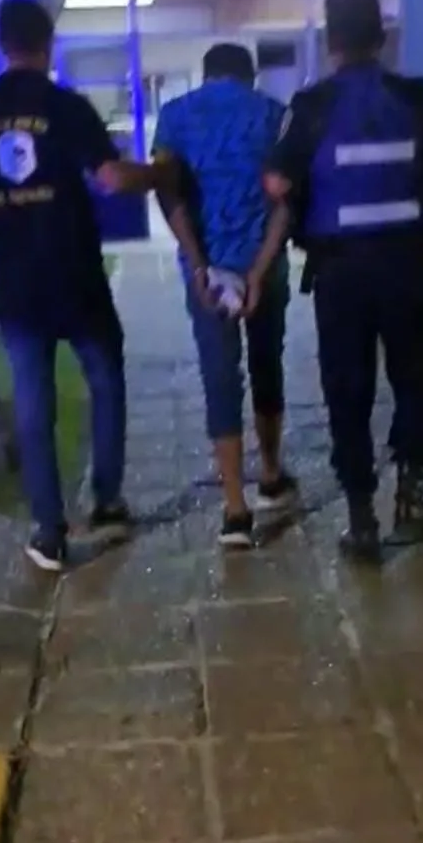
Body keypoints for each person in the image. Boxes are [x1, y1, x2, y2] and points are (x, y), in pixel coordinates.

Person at [264, 0, 423, 561]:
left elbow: (277, 183)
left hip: (340, 273)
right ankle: (410, 501)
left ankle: (360, 516)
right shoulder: (418, 99)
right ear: (382, 37)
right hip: (407, 266)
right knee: (413, 379)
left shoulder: (311, 105)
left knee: (347, 388)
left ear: (331, 41)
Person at [0, 0, 164, 572]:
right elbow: (111, 179)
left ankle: (49, 531)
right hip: (75, 277)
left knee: (33, 403)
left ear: (2, 45)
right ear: (48, 44)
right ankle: (106, 502)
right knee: (105, 382)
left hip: (16, 288)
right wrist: (160, 173)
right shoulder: (66, 108)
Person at [152, 42, 293, 549]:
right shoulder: (275, 114)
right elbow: (288, 200)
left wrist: (198, 264)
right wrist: (258, 270)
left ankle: (235, 509)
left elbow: (167, 193)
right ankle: (271, 474)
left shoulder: (175, 116)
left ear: (207, 75)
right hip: (264, 264)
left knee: (219, 376)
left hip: (207, 271)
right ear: (249, 77)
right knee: (266, 364)